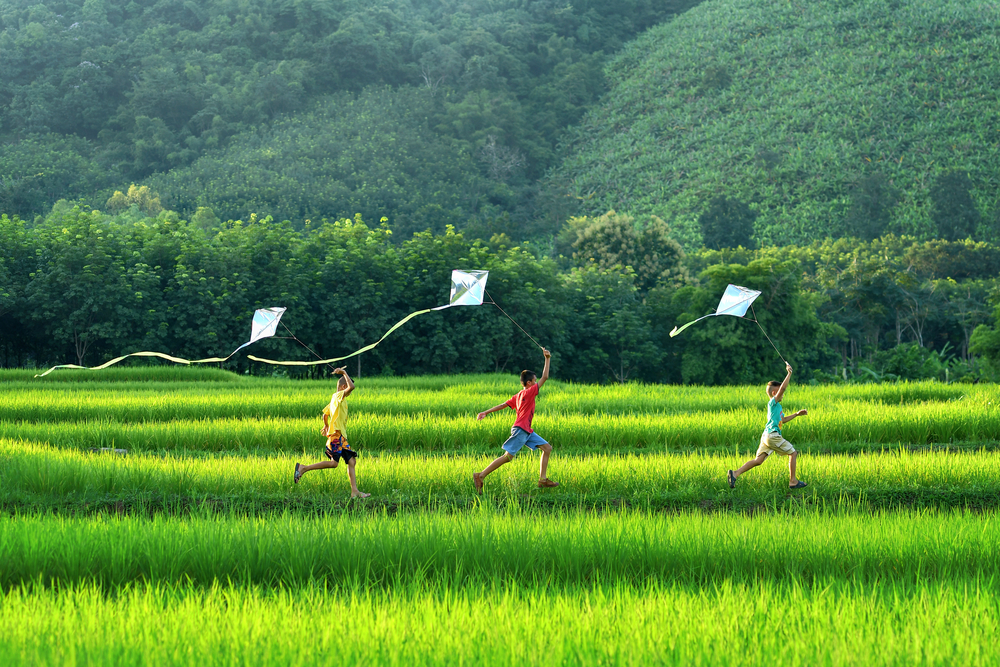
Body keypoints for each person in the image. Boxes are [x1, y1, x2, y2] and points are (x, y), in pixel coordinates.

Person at [473, 348, 559, 494]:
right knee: (508, 457)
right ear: (530, 382)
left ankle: (542, 480)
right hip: (521, 430)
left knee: (547, 448)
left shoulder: (518, 395)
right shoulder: (530, 391)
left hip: (526, 431)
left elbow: (503, 405)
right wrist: (547, 358)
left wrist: (486, 412)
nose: (537, 382)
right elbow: (545, 377)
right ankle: (480, 475)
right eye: (535, 380)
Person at [728, 361, 808, 490]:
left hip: (766, 435)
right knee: (793, 453)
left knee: (758, 461)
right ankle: (793, 481)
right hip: (772, 435)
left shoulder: (778, 407)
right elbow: (783, 388)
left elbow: (783, 419)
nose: (782, 394)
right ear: (774, 394)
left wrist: (797, 414)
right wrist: (789, 373)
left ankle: (735, 473)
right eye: (780, 392)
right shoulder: (772, 403)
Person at [294, 366, 370, 498]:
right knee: (334, 463)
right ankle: (303, 468)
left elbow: (325, 414)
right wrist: (344, 372)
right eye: (346, 387)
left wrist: (325, 425)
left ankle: (354, 491)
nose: (349, 392)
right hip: (336, 436)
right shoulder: (338, 395)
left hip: (341, 436)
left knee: (351, 461)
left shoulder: (335, 399)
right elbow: (352, 387)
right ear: (342, 387)